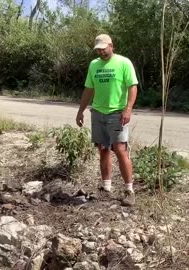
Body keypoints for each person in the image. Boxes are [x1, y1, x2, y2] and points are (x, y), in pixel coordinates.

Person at [75, 34, 138, 206]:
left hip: (117, 113)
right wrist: (81, 111)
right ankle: (106, 187)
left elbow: (132, 86)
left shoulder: (124, 62)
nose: (101, 52)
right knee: (103, 149)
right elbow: (89, 89)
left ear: (111, 46)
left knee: (120, 149)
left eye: (103, 48)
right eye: (98, 49)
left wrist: (128, 109)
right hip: (97, 112)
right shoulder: (94, 65)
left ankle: (129, 190)